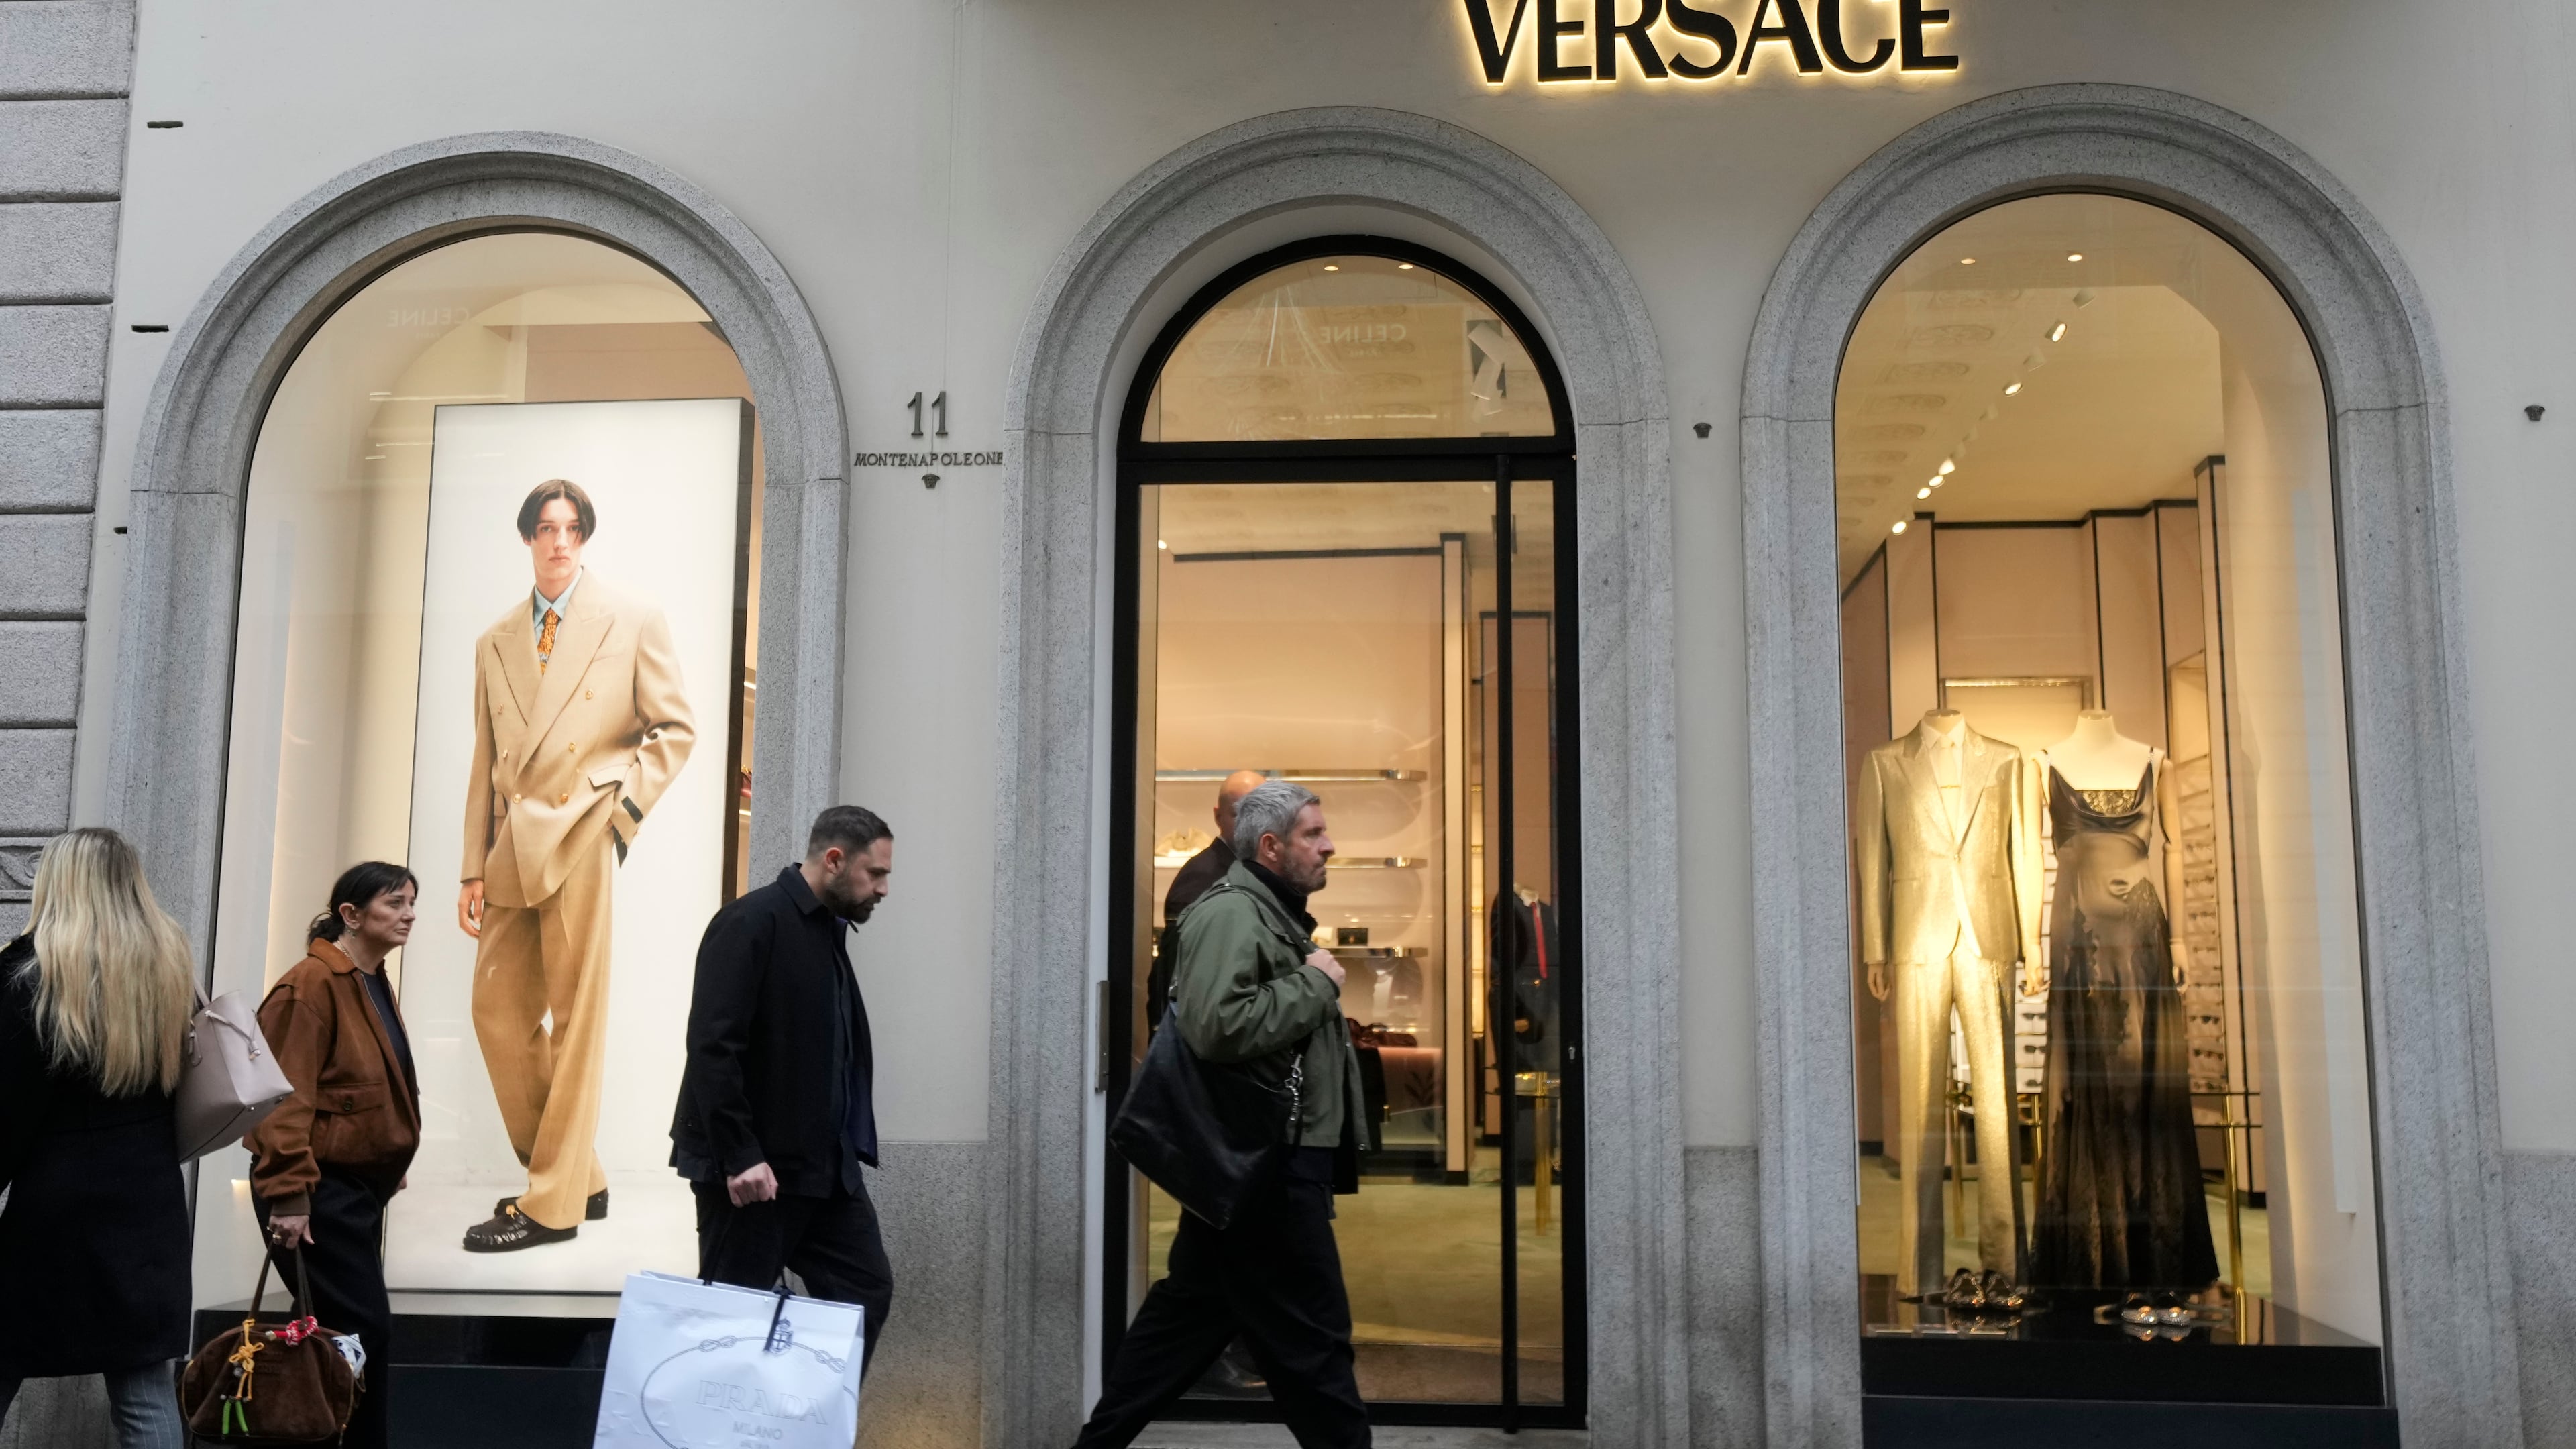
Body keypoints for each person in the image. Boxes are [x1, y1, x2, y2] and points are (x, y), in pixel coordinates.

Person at [1074, 780, 1371, 1449]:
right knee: (1316, 1346)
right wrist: (1315, 982)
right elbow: (1216, 1026)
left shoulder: (1270, 913)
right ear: (1271, 847)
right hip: (1267, 1166)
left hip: (1261, 1163)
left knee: (1183, 1326)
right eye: (1313, 835)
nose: (1330, 845)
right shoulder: (1233, 914)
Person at [456, 478, 696, 1252]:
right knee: (497, 1015)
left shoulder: (630, 618)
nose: (560, 541)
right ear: (526, 538)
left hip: (583, 829)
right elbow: (485, 761)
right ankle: (575, 1174)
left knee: (577, 1020)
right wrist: (470, 868)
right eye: (546, 528)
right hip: (512, 843)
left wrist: (619, 814)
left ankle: (552, 1204)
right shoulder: (495, 639)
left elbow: (674, 728)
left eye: (573, 528)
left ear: (584, 538)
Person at [670, 806, 898, 1367]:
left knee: (865, 1292)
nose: (884, 889)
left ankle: (805, 1422)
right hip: (755, 1176)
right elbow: (712, 1047)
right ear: (834, 860)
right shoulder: (751, 922)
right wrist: (740, 1155)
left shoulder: (827, 933)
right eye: (876, 874)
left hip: (825, 1173)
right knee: (734, 1325)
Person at [0, 828, 196, 1449]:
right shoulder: (170, 967)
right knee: (143, 1387)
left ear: (60, 884)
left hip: (56, 1206)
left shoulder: (29, 975)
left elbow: (7, 1107)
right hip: (148, 1198)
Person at [248, 862, 424, 1449]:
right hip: (318, 1189)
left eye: (411, 903)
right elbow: (283, 1098)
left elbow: (364, 1086)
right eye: (394, 904)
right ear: (351, 914)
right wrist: (290, 1194)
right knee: (360, 1327)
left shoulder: (367, 980)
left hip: (352, 1188)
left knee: (348, 1331)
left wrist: (384, 1160)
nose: (408, 915)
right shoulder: (313, 984)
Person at [1148, 768, 1272, 1398]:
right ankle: (1206, 1356)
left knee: (1226, 1231)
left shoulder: (1239, 878)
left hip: (1230, 1087)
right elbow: (1201, 1003)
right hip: (1212, 1086)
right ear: (1221, 816)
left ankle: (1229, 1348)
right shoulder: (1204, 881)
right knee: (1215, 1229)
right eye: (1248, 810)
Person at [1148, 769, 1269, 1028]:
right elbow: (1184, 984)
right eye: (1240, 813)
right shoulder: (1202, 879)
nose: (1252, 824)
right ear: (1218, 817)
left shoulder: (1249, 871)